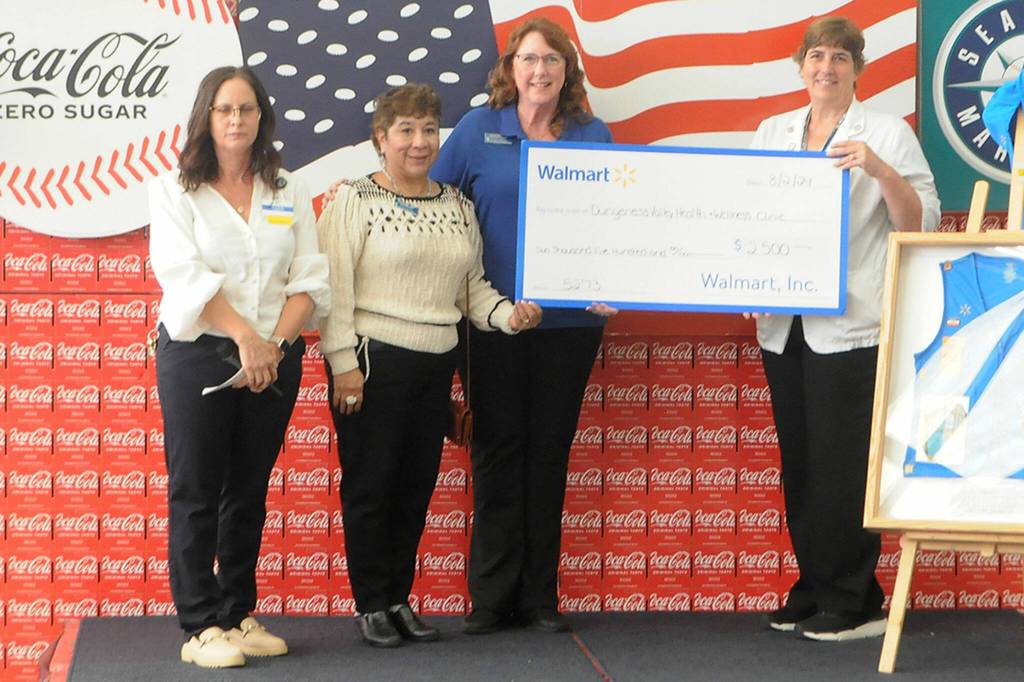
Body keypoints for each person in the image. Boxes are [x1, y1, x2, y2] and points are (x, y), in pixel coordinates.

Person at [316, 83, 542, 648]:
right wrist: (343, 365)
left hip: (435, 362)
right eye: (406, 130)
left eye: (428, 129)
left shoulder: (457, 206)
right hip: (370, 362)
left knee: (414, 486)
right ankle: (370, 603)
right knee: (371, 487)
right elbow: (333, 291)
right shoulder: (353, 200)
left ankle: (397, 598)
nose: (420, 142)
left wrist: (509, 316)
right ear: (380, 138)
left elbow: (472, 290)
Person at [748, 16, 940, 641]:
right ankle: (812, 585)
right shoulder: (772, 132)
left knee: (844, 465)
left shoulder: (887, 132)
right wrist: (743, 280)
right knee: (800, 462)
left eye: (838, 57)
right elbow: (746, 216)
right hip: (785, 324)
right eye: (816, 56)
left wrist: (880, 170)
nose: (825, 67)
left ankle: (856, 598)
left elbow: (922, 224)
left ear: (857, 67)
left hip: (852, 322)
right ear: (800, 66)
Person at [430, 17, 617, 635]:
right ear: (511, 67)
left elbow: (620, 224)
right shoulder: (478, 129)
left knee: (547, 455)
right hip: (491, 323)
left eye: (553, 61)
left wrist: (614, 280)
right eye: (530, 59)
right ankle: (490, 597)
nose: (540, 71)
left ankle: (539, 595)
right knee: (495, 452)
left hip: (570, 325)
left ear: (568, 71)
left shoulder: (593, 135)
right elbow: (437, 212)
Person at [149, 65, 330, 668]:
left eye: (246, 109)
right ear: (206, 116)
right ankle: (199, 626)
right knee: (197, 489)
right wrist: (245, 339)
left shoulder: (287, 187)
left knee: (248, 490)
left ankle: (236, 612)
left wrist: (272, 346)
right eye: (225, 109)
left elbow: (309, 279)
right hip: (201, 351)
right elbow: (186, 278)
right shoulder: (175, 189)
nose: (236, 120)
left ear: (262, 118)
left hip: (275, 356)